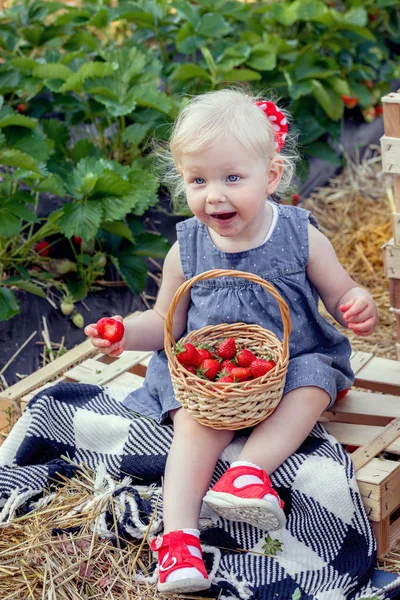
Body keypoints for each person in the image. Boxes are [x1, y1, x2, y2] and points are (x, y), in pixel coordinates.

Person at [84, 88, 378, 594]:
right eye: (198, 180)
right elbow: (166, 323)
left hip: (291, 363)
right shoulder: (187, 249)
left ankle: (246, 473)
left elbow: (341, 291)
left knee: (312, 384)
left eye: (232, 178)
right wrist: (125, 334)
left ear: (272, 177)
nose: (213, 195)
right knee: (194, 430)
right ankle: (178, 542)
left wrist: (357, 305)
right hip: (212, 380)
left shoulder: (301, 236)